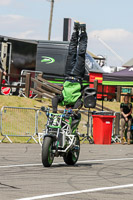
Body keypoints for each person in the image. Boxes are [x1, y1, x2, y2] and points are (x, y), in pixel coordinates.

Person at [52, 21, 87, 114]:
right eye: (67, 110)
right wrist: (73, 112)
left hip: (68, 74)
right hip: (77, 75)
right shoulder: (76, 102)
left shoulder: (63, 101)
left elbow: (55, 99)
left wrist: (54, 111)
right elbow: (80, 103)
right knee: (81, 53)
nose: (67, 110)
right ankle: (83, 32)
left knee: (71, 51)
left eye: (66, 110)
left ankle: (75, 31)